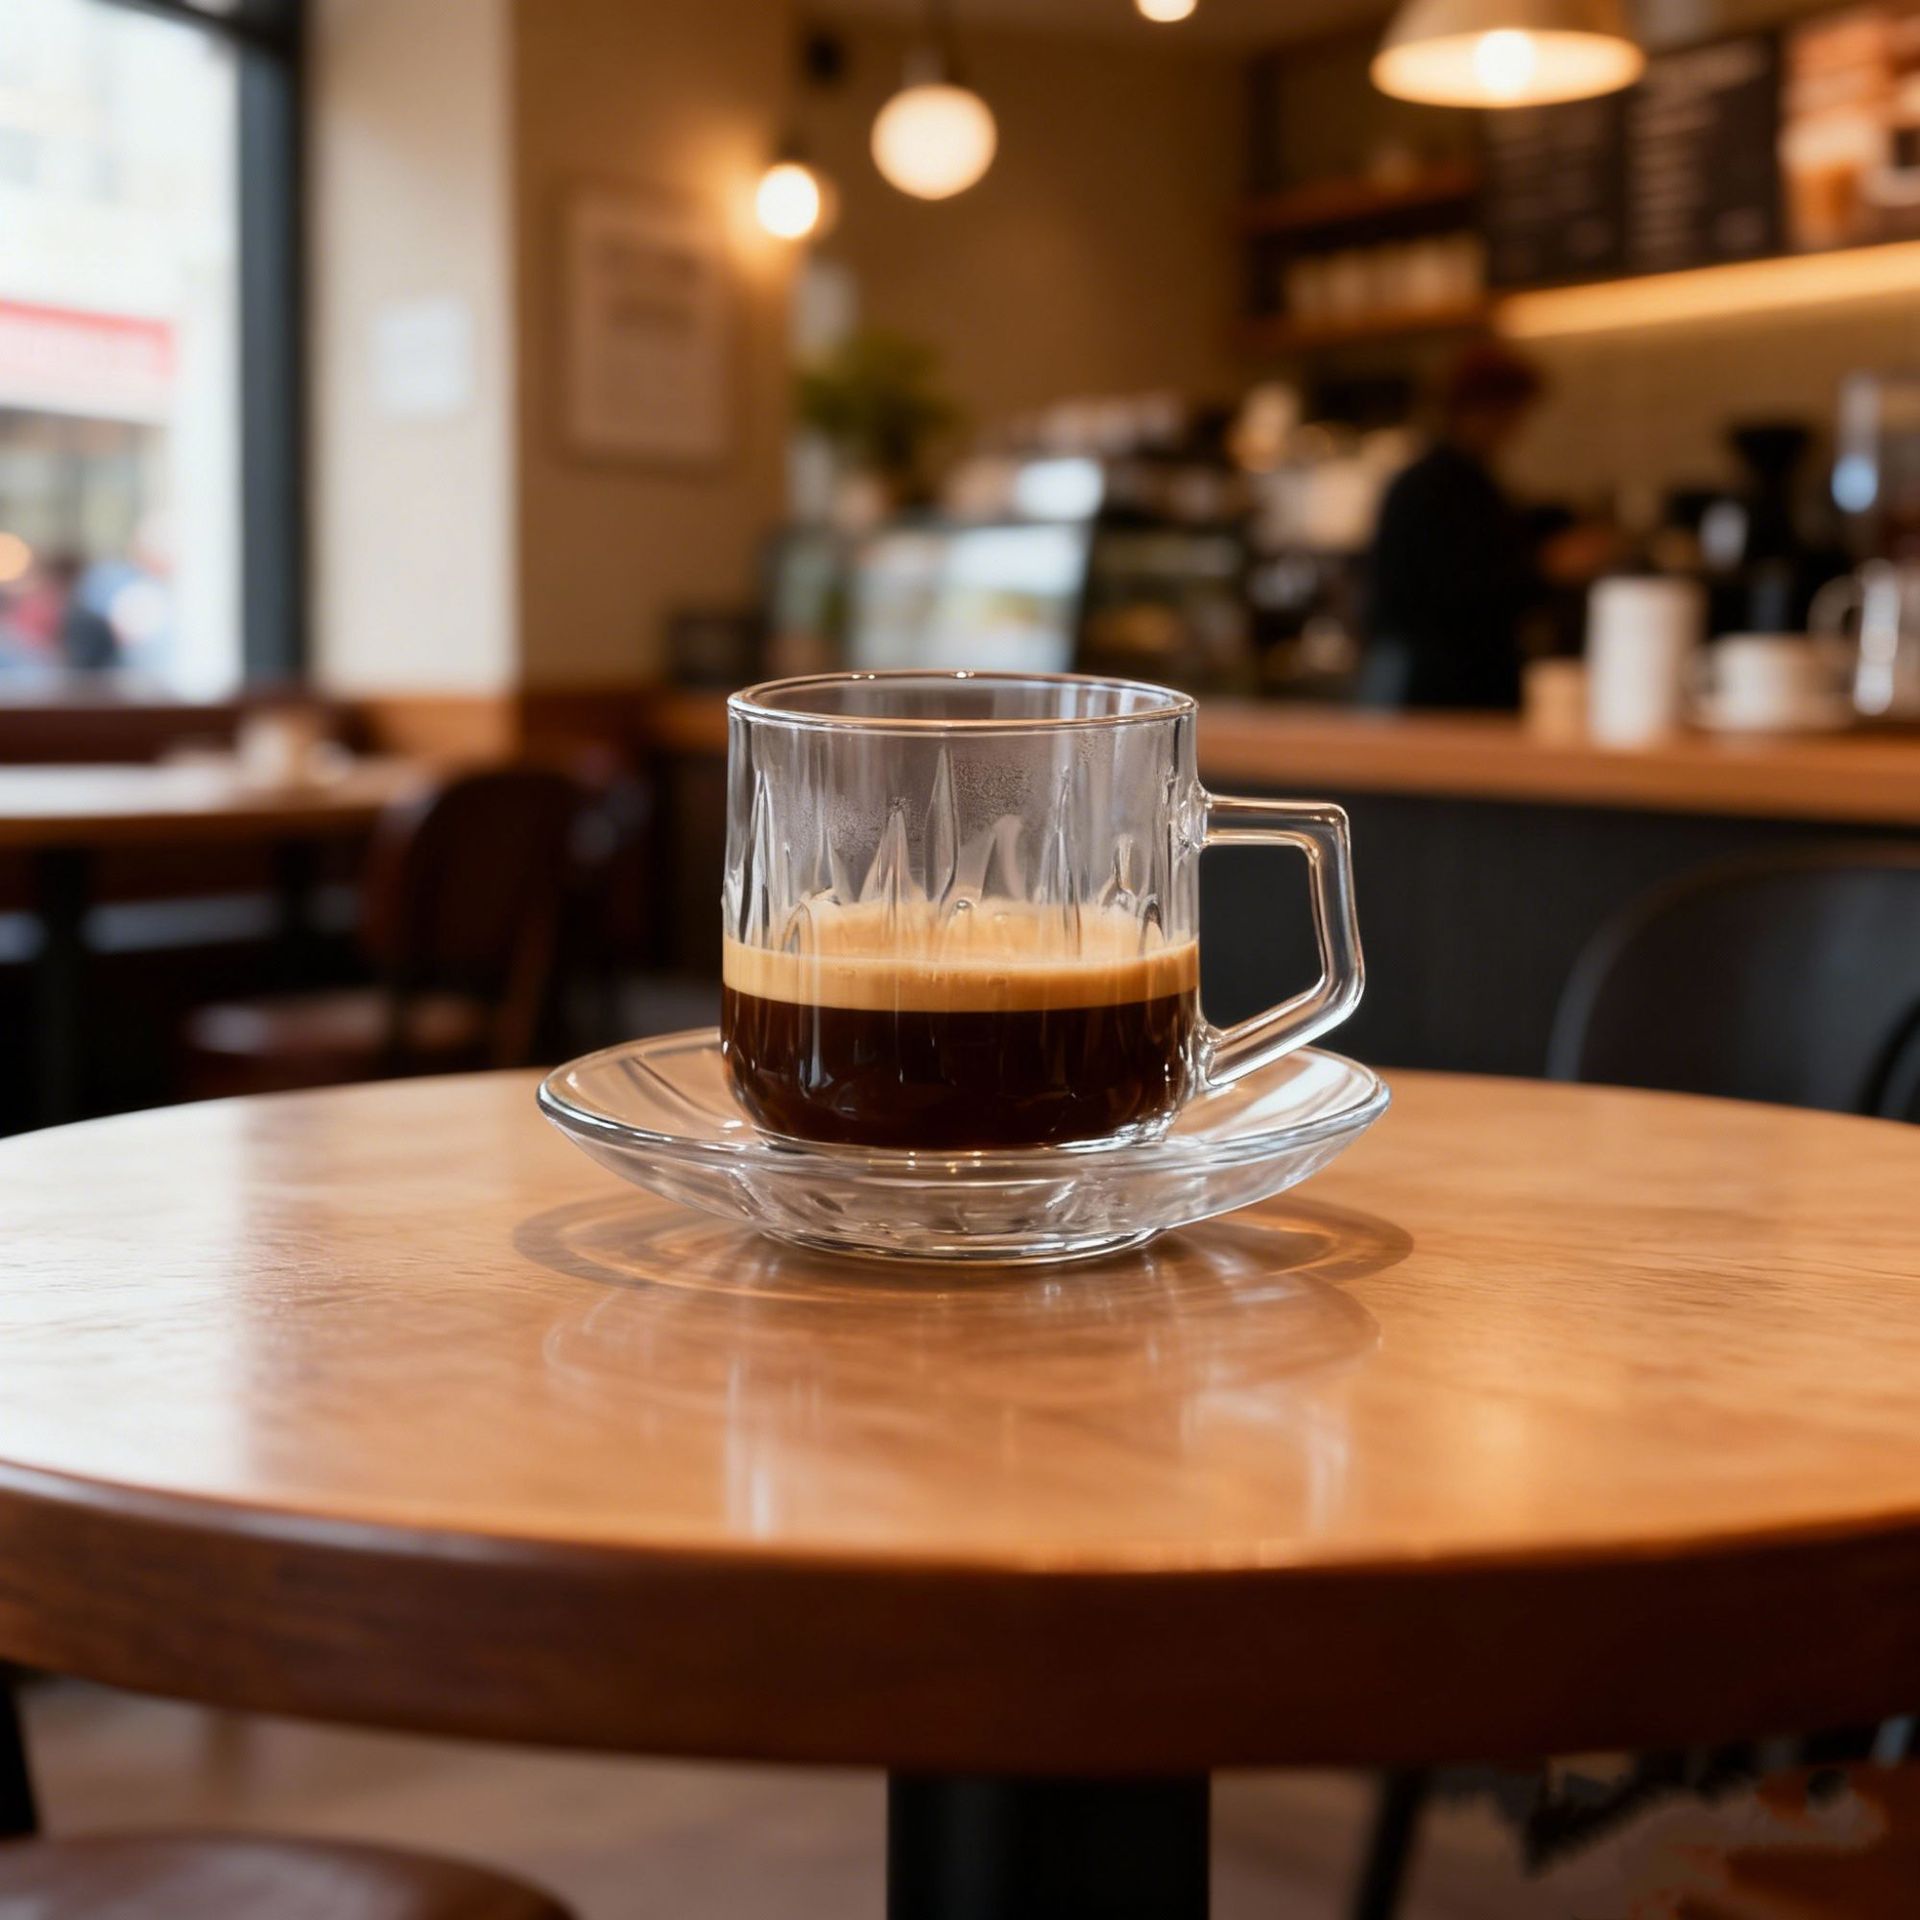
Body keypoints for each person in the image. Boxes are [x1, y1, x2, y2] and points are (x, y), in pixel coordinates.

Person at [1362, 344, 1608, 711]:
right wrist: (1547, 568)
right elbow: (1456, 589)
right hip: (1438, 690)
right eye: (1510, 413)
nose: (1516, 428)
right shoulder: (1434, 487)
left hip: (1457, 682)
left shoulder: (1468, 482)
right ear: (1476, 409)